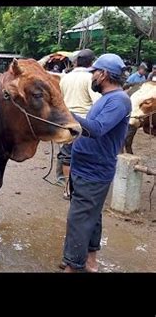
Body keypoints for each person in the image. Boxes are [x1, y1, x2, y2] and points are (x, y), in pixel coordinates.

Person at [61, 53, 131, 273]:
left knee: (79, 218)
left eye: (94, 73)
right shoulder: (107, 99)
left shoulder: (119, 100)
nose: (92, 77)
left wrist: (66, 114)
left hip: (94, 171)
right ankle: (89, 261)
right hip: (84, 167)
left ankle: (74, 266)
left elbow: (97, 128)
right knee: (91, 215)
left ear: (103, 74)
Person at [56, 49, 101, 198]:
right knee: (83, 155)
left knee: (66, 155)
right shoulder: (89, 78)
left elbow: (60, 100)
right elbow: (96, 101)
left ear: (75, 62)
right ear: (91, 63)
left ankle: (67, 188)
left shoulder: (65, 78)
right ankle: (81, 185)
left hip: (66, 121)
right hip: (84, 123)